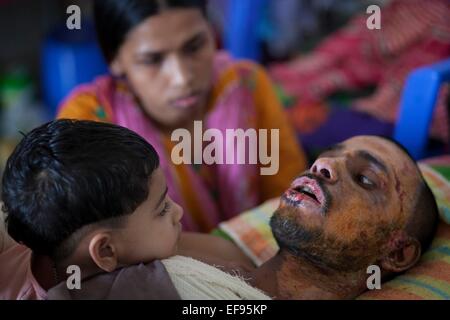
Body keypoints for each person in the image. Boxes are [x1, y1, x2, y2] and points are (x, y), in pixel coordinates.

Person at [57, 0, 307, 232]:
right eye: (152, 59)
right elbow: (106, 246)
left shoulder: (248, 86)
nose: (182, 77)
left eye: (195, 46)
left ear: (212, 33)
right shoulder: (88, 125)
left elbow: (291, 208)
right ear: (114, 60)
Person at [1, 119, 266, 300]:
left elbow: (235, 263)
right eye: (162, 208)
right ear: (105, 251)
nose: (179, 212)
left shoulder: (60, 239)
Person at [247, 136, 439, 299]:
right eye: (327, 155)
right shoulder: (220, 269)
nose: (321, 164)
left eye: (364, 178)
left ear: (397, 252)